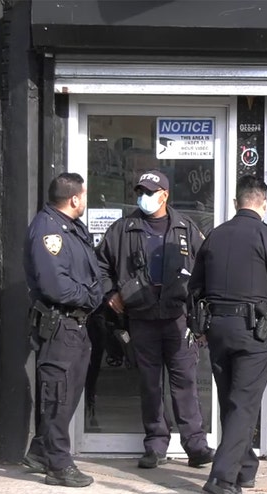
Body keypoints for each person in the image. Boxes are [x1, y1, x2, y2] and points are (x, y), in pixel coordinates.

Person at [97, 169, 215, 469]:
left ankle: (196, 445)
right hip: (141, 317)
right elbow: (99, 266)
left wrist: (200, 311)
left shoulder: (186, 227)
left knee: (184, 383)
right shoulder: (123, 229)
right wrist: (110, 293)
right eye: (141, 192)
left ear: (164, 195)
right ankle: (155, 444)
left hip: (177, 317)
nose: (144, 197)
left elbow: (205, 268)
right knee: (149, 384)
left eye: (150, 192)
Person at [189, 175, 267, 494]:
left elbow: (194, 288)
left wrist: (200, 329)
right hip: (254, 334)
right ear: (263, 203)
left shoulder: (214, 237)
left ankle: (244, 469)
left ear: (236, 203)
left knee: (232, 402)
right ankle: (222, 478)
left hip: (218, 330)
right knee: (244, 404)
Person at [22, 172, 102, 488]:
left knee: (67, 396)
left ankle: (41, 451)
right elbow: (56, 286)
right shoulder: (48, 230)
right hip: (60, 324)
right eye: (83, 195)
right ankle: (58, 465)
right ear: (74, 199)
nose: (85, 199)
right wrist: (92, 296)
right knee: (57, 396)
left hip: (76, 325)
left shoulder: (70, 228)